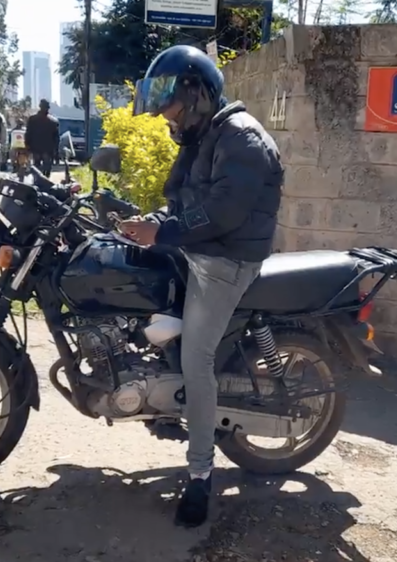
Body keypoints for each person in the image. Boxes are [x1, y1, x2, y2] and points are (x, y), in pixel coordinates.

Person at [118, 45, 283, 528]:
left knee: (197, 357)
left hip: (227, 260)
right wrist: (149, 224)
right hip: (201, 247)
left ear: (196, 94)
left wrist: (164, 233)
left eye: (170, 106)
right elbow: (184, 202)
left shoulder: (242, 139)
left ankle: (199, 476)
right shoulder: (203, 136)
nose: (166, 117)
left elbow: (224, 212)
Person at [26, 99, 59, 176]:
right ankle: (46, 184)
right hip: (47, 150)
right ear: (48, 108)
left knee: (36, 168)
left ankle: (37, 183)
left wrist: (27, 146)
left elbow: (28, 134)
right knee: (46, 169)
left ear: (39, 107)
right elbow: (56, 139)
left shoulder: (32, 119)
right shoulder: (53, 121)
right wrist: (56, 153)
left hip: (36, 148)